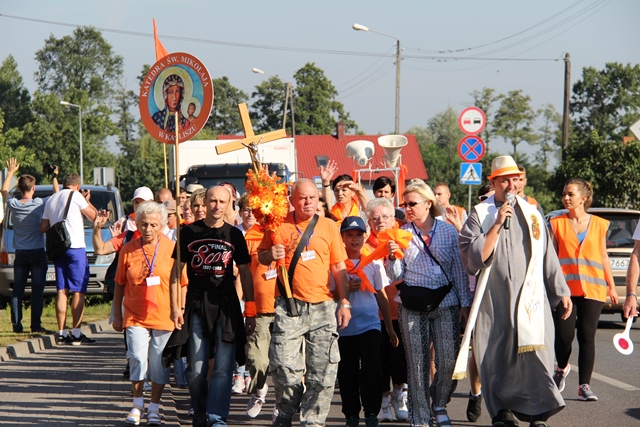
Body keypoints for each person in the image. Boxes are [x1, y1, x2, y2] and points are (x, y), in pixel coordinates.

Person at [459, 155, 572, 427]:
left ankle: (538, 414)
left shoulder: (533, 213)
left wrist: (562, 290)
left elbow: (547, 254)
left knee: (537, 355)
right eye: (504, 180)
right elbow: (471, 258)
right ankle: (502, 412)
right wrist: (497, 224)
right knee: (495, 357)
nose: (511, 185)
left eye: (515, 179)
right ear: (494, 182)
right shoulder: (480, 214)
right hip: (493, 298)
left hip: (530, 296)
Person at [258, 178, 352, 427]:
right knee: (283, 366)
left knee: (322, 371)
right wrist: (271, 254)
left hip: (323, 306)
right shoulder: (278, 224)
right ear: (292, 200)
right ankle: (287, 409)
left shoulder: (329, 226)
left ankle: (313, 421)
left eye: (312, 197)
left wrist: (344, 302)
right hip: (290, 306)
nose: (308, 202)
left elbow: (338, 267)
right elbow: (262, 256)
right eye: (302, 198)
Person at [386, 183, 472, 427]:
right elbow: (394, 275)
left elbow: (458, 270)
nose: (407, 208)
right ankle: (420, 417)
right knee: (417, 364)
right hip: (413, 305)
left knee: (448, 361)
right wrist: (391, 257)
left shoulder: (447, 231)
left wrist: (465, 303)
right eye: (404, 204)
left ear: (428, 204)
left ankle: (439, 403)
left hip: (445, 302)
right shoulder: (401, 233)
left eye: (412, 204)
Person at [169, 186, 256, 427]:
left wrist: (250, 308)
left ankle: (217, 418)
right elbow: (175, 273)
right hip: (197, 304)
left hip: (226, 305)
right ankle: (199, 407)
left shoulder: (234, 235)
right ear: (205, 202)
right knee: (196, 369)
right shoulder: (188, 232)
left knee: (223, 368)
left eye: (222, 201)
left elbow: (245, 272)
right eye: (213, 201)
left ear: (229, 204)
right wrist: (175, 306)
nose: (217, 206)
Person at [549, 179, 618, 401]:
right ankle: (562, 367)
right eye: (564, 194)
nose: (565, 198)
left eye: (570, 194)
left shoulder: (599, 224)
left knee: (587, 336)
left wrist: (612, 286)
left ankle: (584, 386)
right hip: (565, 291)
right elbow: (551, 259)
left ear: (583, 198)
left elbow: (603, 256)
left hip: (593, 289)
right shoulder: (556, 224)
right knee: (564, 336)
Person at [112, 201, 175, 426]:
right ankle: (137, 403)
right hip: (135, 314)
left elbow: (181, 283)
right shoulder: (128, 249)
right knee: (137, 357)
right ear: (137, 224)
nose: (148, 229)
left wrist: (179, 310)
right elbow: (119, 283)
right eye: (144, 224)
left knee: (159, 363)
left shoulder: (171, 248)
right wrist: (117, 314)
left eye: (153, 225)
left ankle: (154, 407)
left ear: (162, 225)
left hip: (164, 314)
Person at [336, 216, 398, 427]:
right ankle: (351, 414)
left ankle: (372, 412)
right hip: (344, 328)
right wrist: (345, 289)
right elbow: (329, 293)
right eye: (349, 235)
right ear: (342, 238)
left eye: (359, 235)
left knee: (372, 368)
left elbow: (381, 294)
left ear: (365, 236)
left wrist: (388, 327)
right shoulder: (336, 264)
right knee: (348, 371)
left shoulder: (373, 261)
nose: (354, 239)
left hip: (370, 325)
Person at [364, 198, 408, 422]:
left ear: (394, 219)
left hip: (402, 310)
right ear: (369, 222)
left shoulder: (405, 239)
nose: (380, 221)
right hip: (374, 314)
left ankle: (399, 394)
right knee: (378, 361)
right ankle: (383, 403)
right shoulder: (364, 245)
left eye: (385, 216)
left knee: (400, 361)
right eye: (375, 218)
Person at [1, 158, 58, 333]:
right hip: (37, 252)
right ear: (33, 188)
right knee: (37, 290)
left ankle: (17, 325)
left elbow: (4, 191)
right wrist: (54, 176)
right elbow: (57, 195)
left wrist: (10, 172)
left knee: (18, 291)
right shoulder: (39, 203)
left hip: (20, 253)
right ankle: (35, 325)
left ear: (19, 189)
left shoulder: (14, 204)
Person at [41, 174, 98, 346]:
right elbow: (94, 216)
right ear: (78, 186)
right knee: (78, 291)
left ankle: (61, 333)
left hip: (59, 249)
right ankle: (76, 333)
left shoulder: (52, 199)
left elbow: (43, 227)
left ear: (64, 184)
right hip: (75, 247)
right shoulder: (76, 196)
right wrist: (86, 200)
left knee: (62, 290)